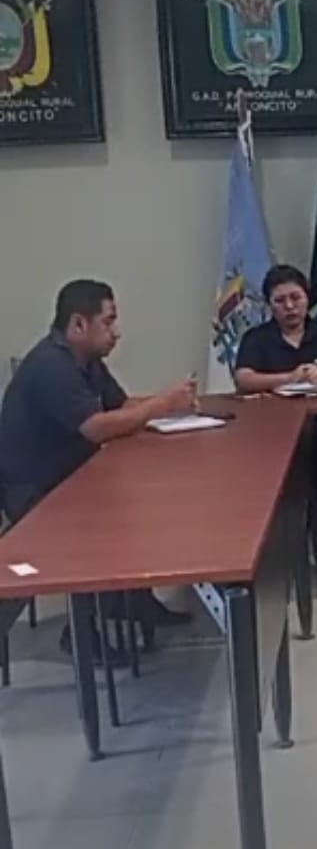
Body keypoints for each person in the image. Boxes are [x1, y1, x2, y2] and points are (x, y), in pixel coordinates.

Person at [0, 279, 198, 657]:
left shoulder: (87, 361)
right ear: (79, 324)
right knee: (98, 525)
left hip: (70, 477)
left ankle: (131, 603)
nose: (116, 332)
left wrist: (170, 401)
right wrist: (161, 406)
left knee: (133, 504)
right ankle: (80, 633)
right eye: (108, 322)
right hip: (33, 491)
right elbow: (96, 427)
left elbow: (119, 408)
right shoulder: (51, 365)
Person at [235, 264, 317, 574]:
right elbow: (244, 379)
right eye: (280, 301)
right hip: (271, 433)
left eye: (296, 298)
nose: (289, 307)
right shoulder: (257, 338)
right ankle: (278, 546)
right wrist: (288, 377)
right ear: (269, 304)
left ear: (307, 298)